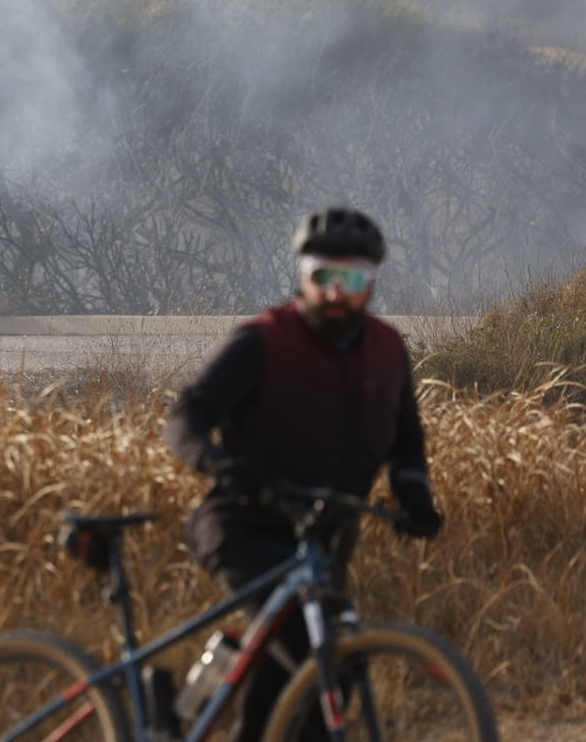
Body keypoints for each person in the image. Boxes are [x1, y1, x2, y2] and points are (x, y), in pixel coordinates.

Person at [162, 206, 443, 742]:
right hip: (243, 529)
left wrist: (415, 498)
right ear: (303, 278)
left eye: (353, 280)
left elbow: (406, 443)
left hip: (323, 545)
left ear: (372, 283)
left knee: (282, 688)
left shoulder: (389, 351)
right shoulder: (263, 341)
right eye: (324, 278)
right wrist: (222, 465)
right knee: (328, 667)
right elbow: (186, 418)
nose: (337, 295)